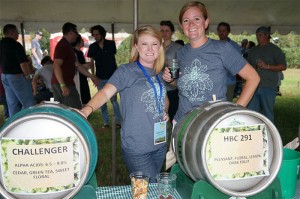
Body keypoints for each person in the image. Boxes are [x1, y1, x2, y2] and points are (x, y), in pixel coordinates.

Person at [81, 25, 169, 182]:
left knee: (147, 190)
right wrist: (86, 110)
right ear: (136, 46)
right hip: (137, 146)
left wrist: (165, 111)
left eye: (154, 44)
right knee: (150, 188)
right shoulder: (126, 71)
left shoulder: (159, 73)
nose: (150, 48)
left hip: (159, 144)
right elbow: (105, 92)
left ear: (160, 46)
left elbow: (164, 98)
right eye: (144, 43)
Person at [162, 1, 260, 124]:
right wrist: (171, 80)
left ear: (206, 22)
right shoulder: (181, 52)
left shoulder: (222, 48)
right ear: (182, 26)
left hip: (212, 123)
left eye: (196, 19)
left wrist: (233, 113)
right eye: (186, 20)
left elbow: (253, 78)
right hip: (182, 121)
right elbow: (182, 84)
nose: (191, 24)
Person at [51, 22, 98, 109]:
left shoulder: (69, 46)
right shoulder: (63, 45)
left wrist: (91, 76)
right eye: (76, 33)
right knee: (74, 110)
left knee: (70, 109)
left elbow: (78, 66)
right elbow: (56, 65)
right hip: (63, 83)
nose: (77, 35)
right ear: (70, 33)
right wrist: (62, 85)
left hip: (67, 83)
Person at [247, 26, 286, 123]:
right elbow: (248, 67)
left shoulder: (275, 50)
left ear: (267, 35)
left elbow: (283, 66)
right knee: (251, 112)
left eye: (260, 35)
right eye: (257, 35)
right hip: (253, 86)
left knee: (267, 112)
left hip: (268, 86)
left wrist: (267, 66)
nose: (258, 37)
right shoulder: (253, 50)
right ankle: (254, 134)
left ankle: (270, 134)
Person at [88, 25, 122, 128]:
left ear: (102, 34)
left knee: (114, 100)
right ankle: (106, 123)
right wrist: (93, 76)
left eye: (97, 34)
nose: (95, 36)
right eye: (93, 35)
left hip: (112, 76)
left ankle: (118, 122)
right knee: (102, 101)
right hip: (100, 77)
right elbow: (91, 62)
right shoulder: (92, 47)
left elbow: (113, 59)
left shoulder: (111, 44)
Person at [0, 24, 36, 117]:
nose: (18, 34)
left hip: (4, 76)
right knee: (29, 103)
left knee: (12, 104)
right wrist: (28, 76)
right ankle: (27, 122)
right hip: (17, 76)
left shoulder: (1, 44)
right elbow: (23, 63)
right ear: (11, 33)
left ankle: (14, 124)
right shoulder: (15, 45)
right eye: (17, 32)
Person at [160, 20, 183, 123]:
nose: (164, 33)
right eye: (162, 30)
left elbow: (182, 67)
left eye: (167, 31)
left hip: (172, 88)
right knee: (159, 117)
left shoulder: (178, 48)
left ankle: (175, 137)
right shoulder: (156, 47)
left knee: (174, 117)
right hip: (159, 87)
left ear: (172, 32)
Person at [217, 22, 242, 102]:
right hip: (216, 81)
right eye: (220, 30)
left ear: (228, 32)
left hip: (229, 81)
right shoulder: (214, 45)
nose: (221, 33)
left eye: (224, 30)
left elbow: (237, 64)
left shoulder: (235, 46)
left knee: (226, 104)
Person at [72, 34, 92, 105]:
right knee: (81, 97)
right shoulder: (73, 52)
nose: (83, 42)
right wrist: (85, 65)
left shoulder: (80, 52)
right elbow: (75, 65)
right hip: (77, 78)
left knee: (85, 98)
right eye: (82, 40)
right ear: (78, 42)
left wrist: (86, 64)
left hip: (83, 77)